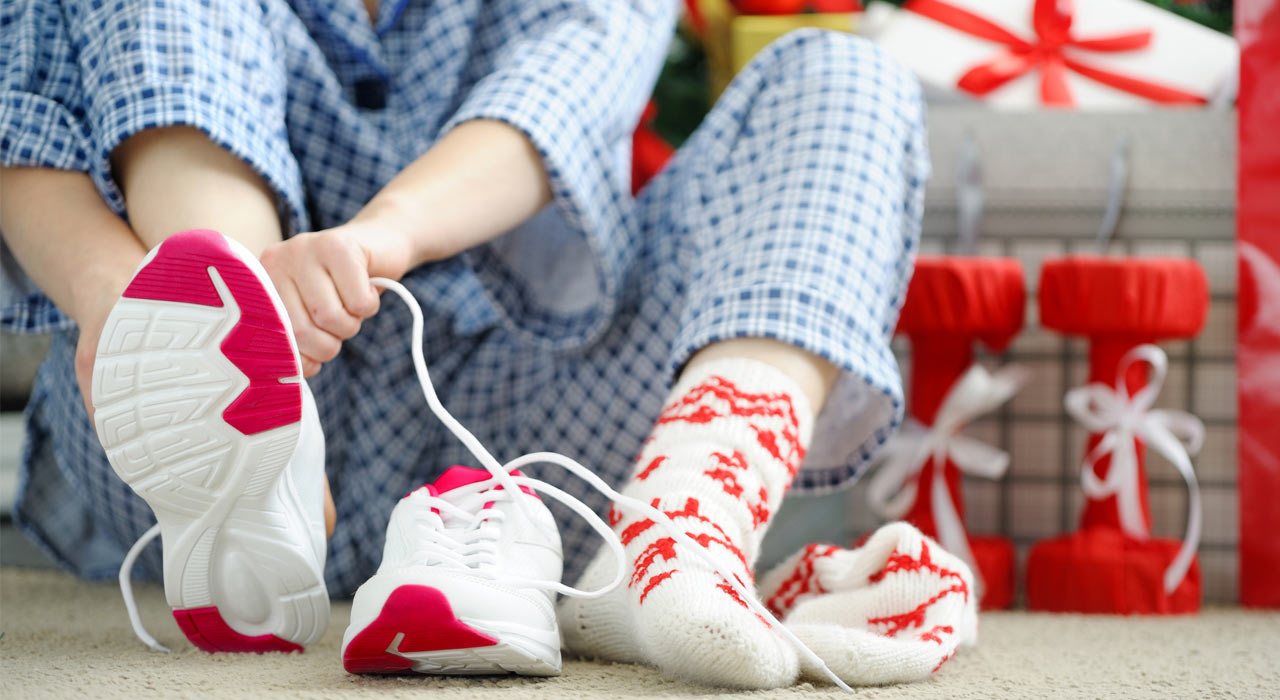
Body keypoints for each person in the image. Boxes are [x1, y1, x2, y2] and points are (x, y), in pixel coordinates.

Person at [0, 0, 929, 688]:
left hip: (528, 417)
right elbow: (21, 115)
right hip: (156, 442)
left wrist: (378, 240)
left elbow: (559, 98)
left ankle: (676, 538)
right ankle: (211, 331)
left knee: (844, 77)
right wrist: (117, 305)